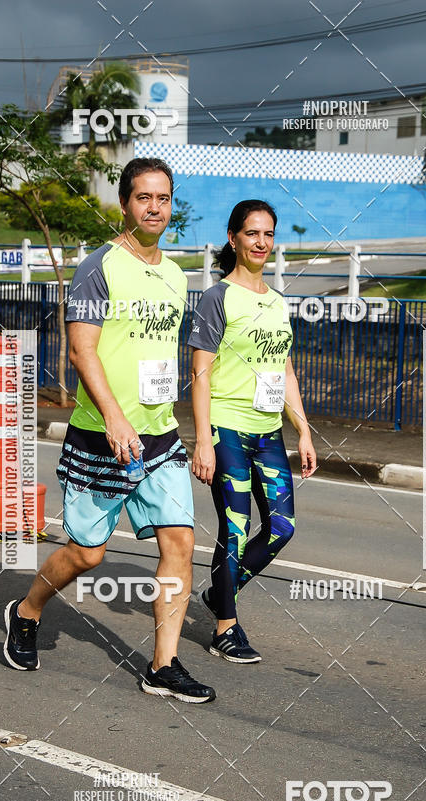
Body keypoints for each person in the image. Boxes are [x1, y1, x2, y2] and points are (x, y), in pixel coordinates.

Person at [3, 157, 216, 704]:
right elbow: (81, 349)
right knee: (88, 554)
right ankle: (26, 612)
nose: (154, 207)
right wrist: (116, 415)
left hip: (159, 435)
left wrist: (191, 426)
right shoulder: (98, 267)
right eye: (143, 197)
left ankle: (163, 665)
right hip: (103, 434)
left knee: (180, 542)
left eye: (163, 198)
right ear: (125, 204)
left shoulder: (175, 274)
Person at [189, 199, 316, 663]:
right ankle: (226, 627)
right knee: (236, 528)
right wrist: (203, 440)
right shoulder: (216, 297)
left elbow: (285, 372)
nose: (261, 242)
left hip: (268, 433)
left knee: (282, 527)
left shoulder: (279, 303)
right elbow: (200, 373)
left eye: (268, 234)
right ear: (233, 238)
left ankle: (221, 593)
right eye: (252, 233)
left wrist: (302, 430)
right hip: (227, 429)